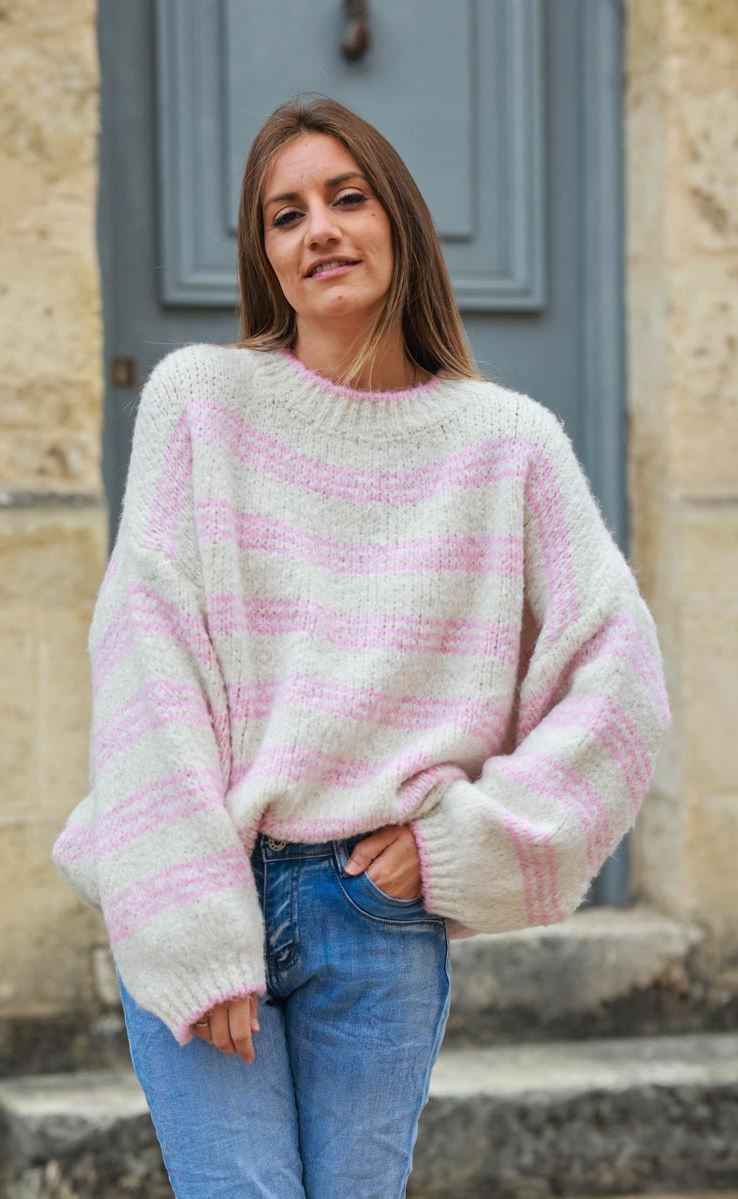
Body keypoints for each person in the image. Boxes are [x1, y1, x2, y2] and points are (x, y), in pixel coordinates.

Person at [50, 94, 671, 1197]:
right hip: (204, 868)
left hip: (372, 913)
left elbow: (616, 682)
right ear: (265, 257)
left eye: (346, 197)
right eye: (283, 216)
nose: (318, 230)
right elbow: (146, 661)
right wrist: (196, 918)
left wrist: (465, 841)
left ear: (400, 222)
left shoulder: (506, 444)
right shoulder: (199, 401)